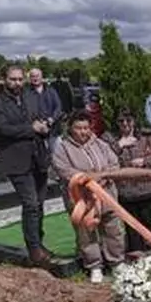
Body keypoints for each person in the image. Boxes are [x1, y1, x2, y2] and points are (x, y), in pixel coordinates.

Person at [53, 112, 129, 283]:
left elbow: (114, 163)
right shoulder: (63, 148)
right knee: (86, 233)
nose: (83, 132)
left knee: (113, 228)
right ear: (71, 129)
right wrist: (86, 179)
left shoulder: (101, 144)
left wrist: (102, 177)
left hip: (106, 193)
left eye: (86, 128)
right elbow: (63, 169)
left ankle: (116, 262)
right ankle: (94, 265)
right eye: (79, 128)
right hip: (82, 197)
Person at [0, 65, 54, 265]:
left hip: (37, 158)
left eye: (19, 79)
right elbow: (4, 129)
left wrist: (44, 126)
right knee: (30, 203)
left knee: (40, 204)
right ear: (4, 80)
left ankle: (39, 243)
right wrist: (31, 128)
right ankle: (33, 248)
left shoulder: (29, 98)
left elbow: (38, 119)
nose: (17, 83)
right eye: (12, 79)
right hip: (17, 161)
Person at [103, 113, 151, 254]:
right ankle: (136, 255)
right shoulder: (109, 138)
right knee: (131, 227)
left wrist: (144, 161)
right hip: (125, 190)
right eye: (121, 120)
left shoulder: (146, 135)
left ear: (134, 120)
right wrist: (119, 145)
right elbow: (103, 158)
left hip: (147, 188)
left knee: (147, 223)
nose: (125, 124)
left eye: (128, 120)